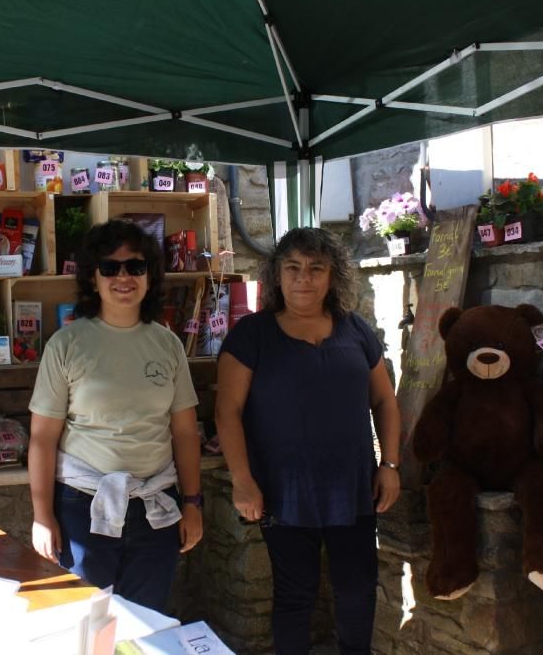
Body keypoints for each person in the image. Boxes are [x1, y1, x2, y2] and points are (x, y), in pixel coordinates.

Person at [215, 227, 401, 655]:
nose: (305, 278)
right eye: (293, 267)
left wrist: (389, 465)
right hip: (284, 492)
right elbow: (228, 412)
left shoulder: (356, 330)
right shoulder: (252, 336)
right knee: (295, 597)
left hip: (353, 489)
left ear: (332, 276)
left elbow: (385, 401)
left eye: (316, 268)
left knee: (357, 593)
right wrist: (242, 480)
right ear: (276, 275)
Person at [28, 219, 203, 612]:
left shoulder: (168, 344)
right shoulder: (67, 344)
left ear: (149, 275)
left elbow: (186, 434)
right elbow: (42, 438)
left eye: (135, 267)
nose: (123, 277)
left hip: (155, 507)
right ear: (93, 278)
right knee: (86, 626)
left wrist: (193, 503)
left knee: (145, 623)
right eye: (110, 267)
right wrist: (42, 516)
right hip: (82, 508)